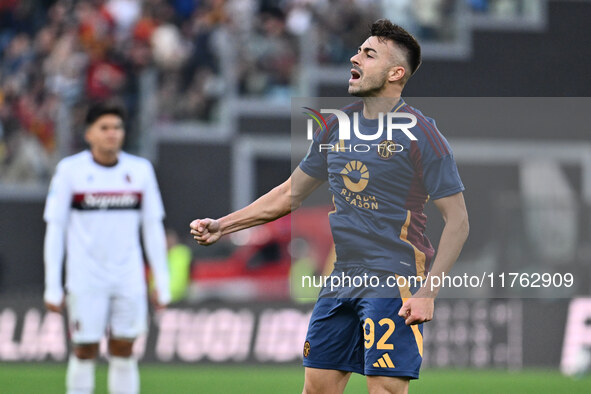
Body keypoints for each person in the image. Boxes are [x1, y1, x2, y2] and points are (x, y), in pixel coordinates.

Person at [190, 19, 469, 394]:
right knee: (316, 389)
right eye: (358, 50)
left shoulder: (422, 134)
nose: (355, 57)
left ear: (395, 73)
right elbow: (291, 193)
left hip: (393, 277)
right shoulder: (336, 126)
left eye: (369, 54)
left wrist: (428, 293)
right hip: (340, 278)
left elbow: (458, 222)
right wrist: (224, 226)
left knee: (385, 390)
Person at [43, 101, 170, 394]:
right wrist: (53, 284)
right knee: (85, 350)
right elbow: (55, 229)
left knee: (124, 349)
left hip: (128, 276)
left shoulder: (140, 171)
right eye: (105, 128)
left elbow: (152, 228)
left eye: (117, 127)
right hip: (86, 277)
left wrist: (160, 281)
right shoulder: (69, 172)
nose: (112, 133)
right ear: (89, 133)